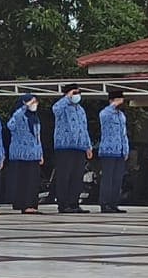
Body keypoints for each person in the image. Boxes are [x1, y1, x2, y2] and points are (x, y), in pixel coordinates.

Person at [51, 84, 92, 214]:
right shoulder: (62, 106)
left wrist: (88, 146)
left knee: (77, 176)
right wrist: (67, 97)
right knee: (64, 175)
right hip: (64, 146)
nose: (77, 95)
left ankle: (74, 203)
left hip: (79, 146)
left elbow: (84, 128)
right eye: (75, 92)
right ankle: (63, 204)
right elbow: (55, 109)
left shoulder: (80, 109)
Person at [8, 95, 44, 214]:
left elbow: (38, 137)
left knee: (33, 181)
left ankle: (32, 204)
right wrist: (25, 107)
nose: (34, 104)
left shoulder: (35, 118)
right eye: (32, 102)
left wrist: (40, 153)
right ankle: (24, 205)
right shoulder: (19, 116)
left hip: (34, 154)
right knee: (24, 181)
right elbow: (11, 125)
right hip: (22, 155)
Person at [96, 89, 129, 214]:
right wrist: (113, 105)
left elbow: (124, 134)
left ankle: (114, 203)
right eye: (118, 99)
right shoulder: (106, 113)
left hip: (120, 151)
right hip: (108, 150)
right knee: (107, 178)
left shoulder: (121, 115)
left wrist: (125, 149)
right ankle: (104, 203)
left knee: (117, 179)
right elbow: (103, 116)